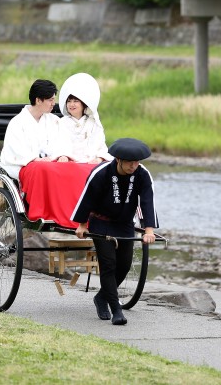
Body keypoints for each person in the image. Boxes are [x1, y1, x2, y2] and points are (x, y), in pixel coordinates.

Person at [71, 138, 159, 326]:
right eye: (129, 162)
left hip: (125, 223)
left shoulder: (142, 174)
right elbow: (87, 198)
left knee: (124, 265)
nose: (133, 166)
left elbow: (146, 202)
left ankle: (102, 298)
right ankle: (116, 310)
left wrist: (148, 230)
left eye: (137, 162)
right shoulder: (101, 173)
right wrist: (82, 224)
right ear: (118, 159)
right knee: (109, 264)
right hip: (101, 222)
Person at [0, 79, 65, 179]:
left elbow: (62, 143)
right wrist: (36, 159)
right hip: (24, 166)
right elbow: (16, 151)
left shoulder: (55, 121)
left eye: (54, 99)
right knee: (41, 169)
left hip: (50, 164)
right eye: (50, 100)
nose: (53, 103)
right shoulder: (17, 123)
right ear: (38, 100)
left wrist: (61, 156)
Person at [57, 72, 113, 165]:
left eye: (75, 101)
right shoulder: (62, 122)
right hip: (69, 163)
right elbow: (59, 143)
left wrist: (99, 158)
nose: (71, 104)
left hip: (90, 162)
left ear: (83, 104)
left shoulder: (93, 123)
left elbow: (100, 145)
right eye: (69, 101)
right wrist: (63, 155)